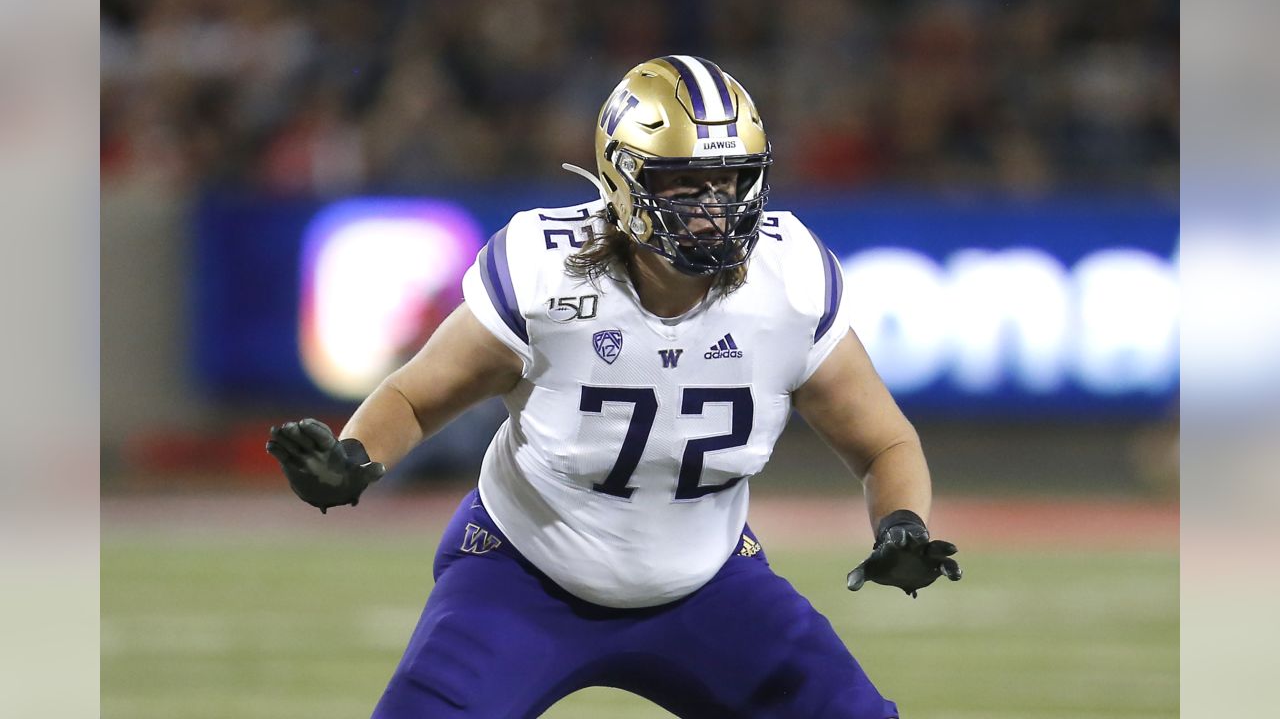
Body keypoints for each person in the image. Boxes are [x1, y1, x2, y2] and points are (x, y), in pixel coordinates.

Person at [267, 55, 961, 718]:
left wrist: (902, 522)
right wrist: (356, 457)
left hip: (709, 584)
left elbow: (885, 443)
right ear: (623, 181)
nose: (712, 207)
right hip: (523, 575)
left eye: (730, 181)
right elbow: (414, 398)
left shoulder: (792, 282)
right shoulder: (547, 274)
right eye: (683, 183)